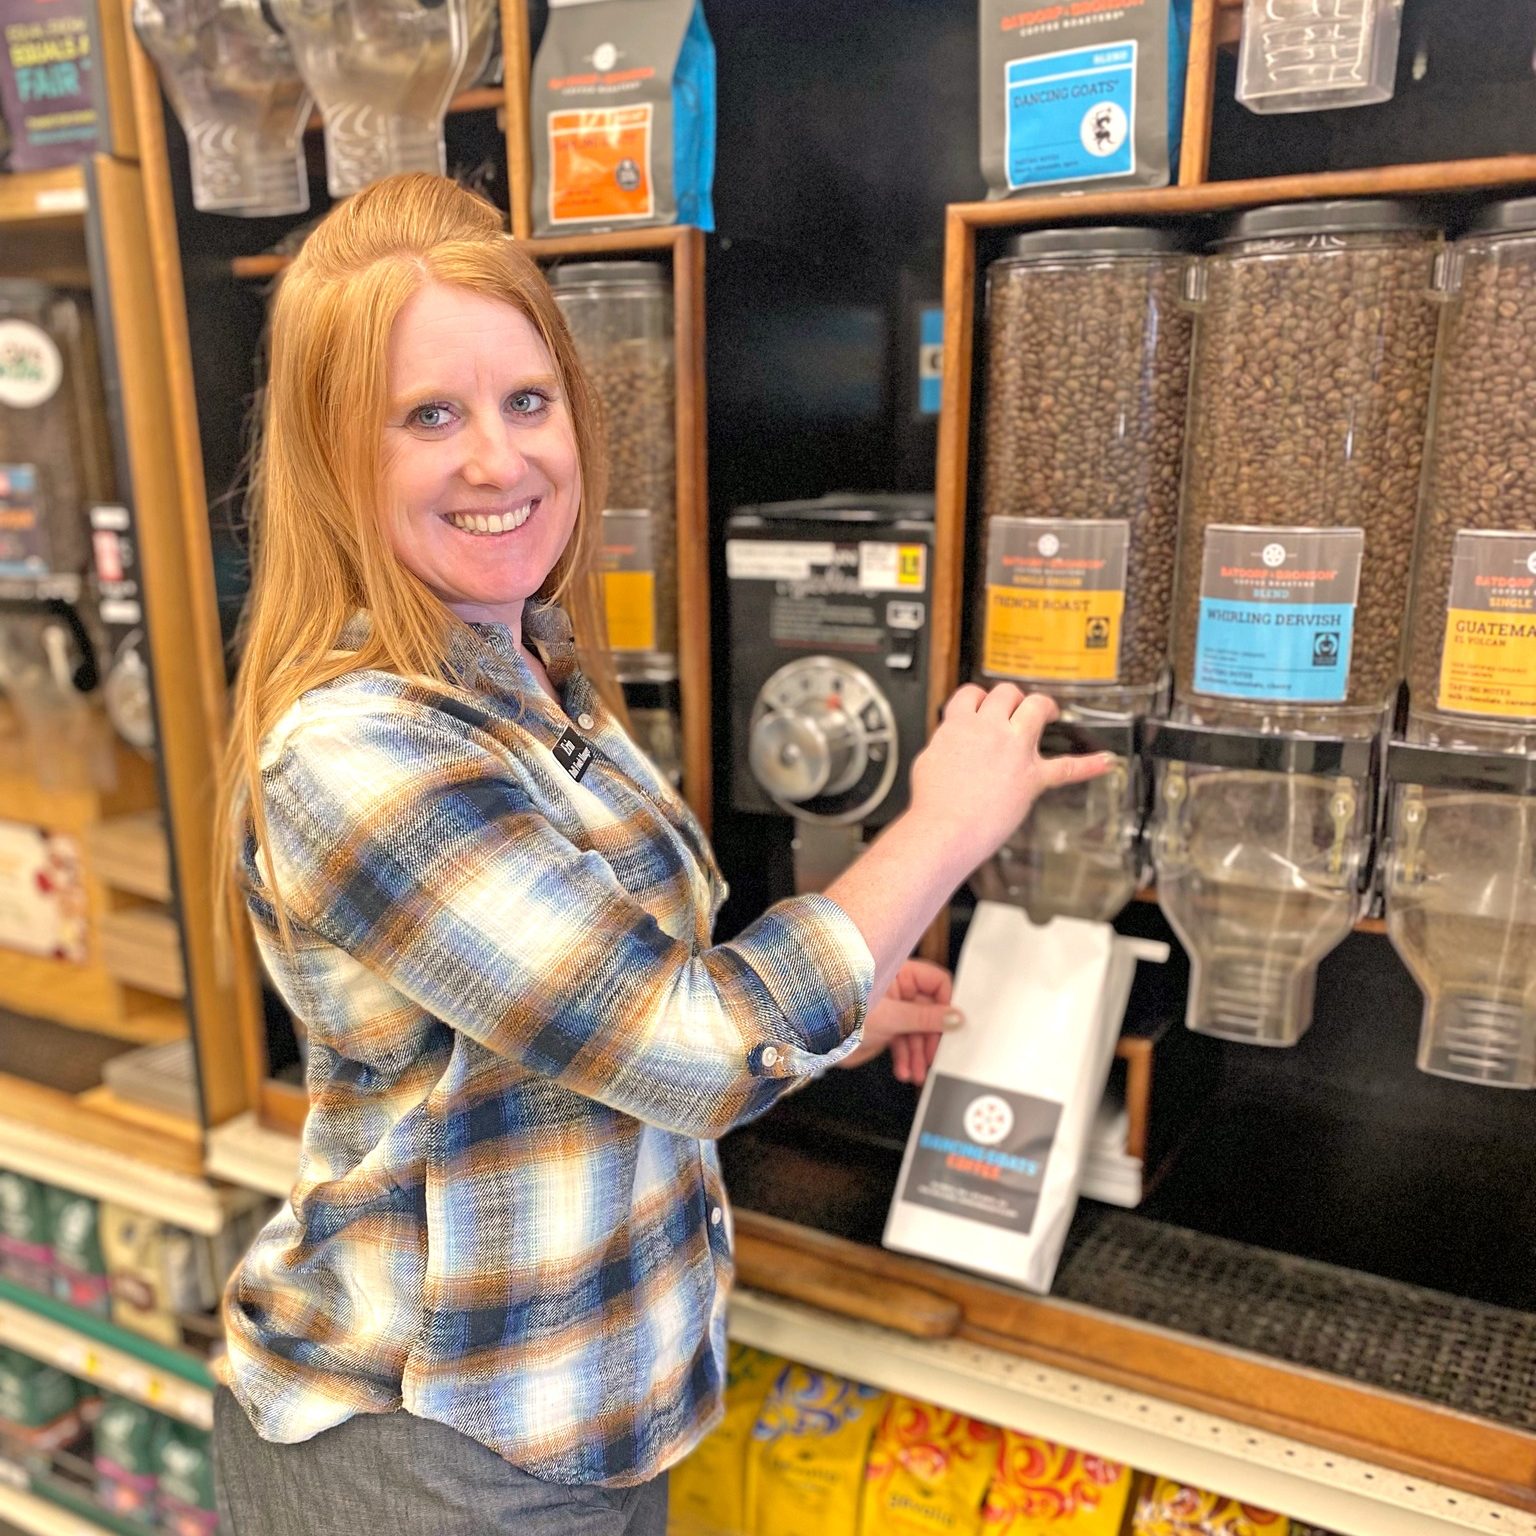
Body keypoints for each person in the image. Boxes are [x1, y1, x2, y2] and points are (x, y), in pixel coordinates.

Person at [212, 173, 1111, 1535]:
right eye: (427, 418)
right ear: (336, 457)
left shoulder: (541, 671)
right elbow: (687, 1048)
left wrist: (837, 1019)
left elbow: (607, 1020)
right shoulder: (356, 749)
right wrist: (943, 827)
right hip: (428, 1443)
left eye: (527, 402)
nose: (498, 462)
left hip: (600, 1404)